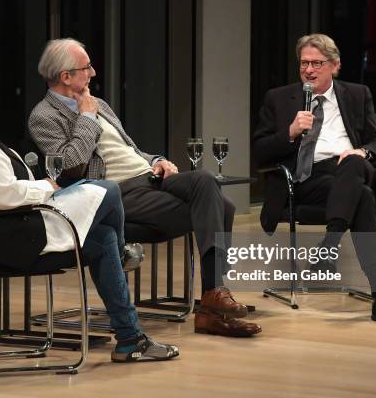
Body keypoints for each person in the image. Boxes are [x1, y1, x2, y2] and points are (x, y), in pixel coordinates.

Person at [0, 57, 180, 362]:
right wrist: (47, 187)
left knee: (103, 235)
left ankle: (130, 339)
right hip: (9, 234)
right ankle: (122, 256)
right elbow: (5, 195)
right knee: (108, 190)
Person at [28, 38, 261, 337]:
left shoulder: (101, 105)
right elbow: (71, 164)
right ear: (66, 76)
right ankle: (212, 308)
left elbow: (128, 149)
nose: (94, 72)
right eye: (86, 67)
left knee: (205, 181)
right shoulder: (44, 116)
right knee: (222, 207)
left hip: (149, 179)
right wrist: (86, 116)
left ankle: (213, 298)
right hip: (114, 193)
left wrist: (158, 160)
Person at [252, 33, 376, 323]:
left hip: (347, 170)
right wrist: (290, 132)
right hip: (304, 180)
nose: (309, 70)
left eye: (317, 63)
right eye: (304, 63)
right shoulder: (279, 99)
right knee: (363, 196)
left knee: (355, 166)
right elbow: (259, 152)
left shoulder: (358, 95)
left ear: (335, 65)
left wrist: (361, 152)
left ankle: (331, 245)